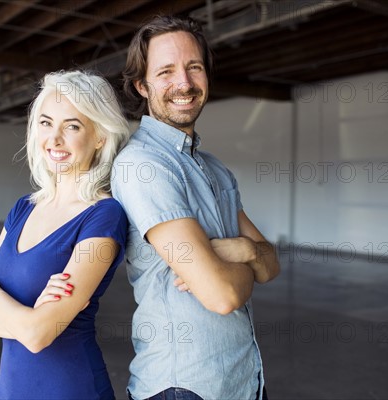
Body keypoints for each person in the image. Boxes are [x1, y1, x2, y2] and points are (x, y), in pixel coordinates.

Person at [111, 15, 280, 400]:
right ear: (142, 85)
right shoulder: (144, 166)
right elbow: (221, 295)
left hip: (245, 380)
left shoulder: (215, 169)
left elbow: (271, 266)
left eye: (194, 68)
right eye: (166, 71)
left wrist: (245, 250)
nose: (184, 84)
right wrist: (238, 263)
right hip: (185, 384)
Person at [0, 70, 130, 400]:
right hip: (10, 391)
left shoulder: (104, 216)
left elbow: (38, 335)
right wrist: (31, 324)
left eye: (72, 126)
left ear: (99, 136)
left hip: (72, 389)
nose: (54, 139)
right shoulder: (22, 209)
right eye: (45, 122)